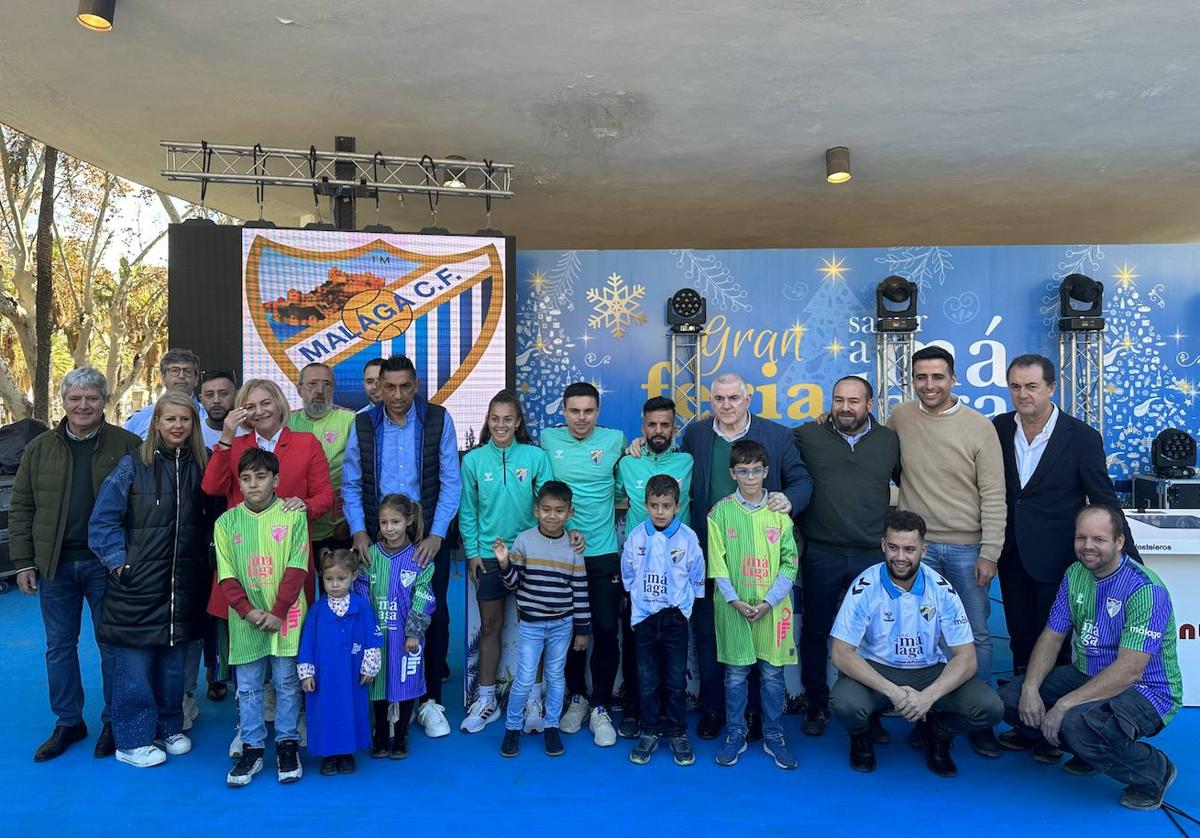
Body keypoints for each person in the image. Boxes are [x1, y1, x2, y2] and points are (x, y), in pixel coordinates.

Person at [999, 505, 1182, 811]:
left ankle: (1154, 772)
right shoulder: (1075, 574)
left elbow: (1129, 671)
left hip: (1147, 690)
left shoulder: (1145, 589)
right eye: (1081, 537)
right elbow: (1052, 636)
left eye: (1099, 539)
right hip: (1087, 673)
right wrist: (1030, 690)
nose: (1087, 546)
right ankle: (1087, 750)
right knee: (1008, 699)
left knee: (1077, 723)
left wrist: (1064, 705)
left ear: (1119, 542)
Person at [11, 366, 141, 762]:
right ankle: (68, 722)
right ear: (64, 401)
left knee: (113, 647)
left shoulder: (129, 445)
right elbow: (22, 507)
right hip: (55, 566)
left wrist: (131, 559)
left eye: (91, 398)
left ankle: (113, 722)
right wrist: (22, 562)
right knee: (59, 648)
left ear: (104, 401)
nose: (83, 405)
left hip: (108, 566)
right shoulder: (38, 449)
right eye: (75, 398)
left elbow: (142, 507)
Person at [886, 345, 1005, 757]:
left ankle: (981, 717)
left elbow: (993, 494)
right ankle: (927, 712)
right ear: (912, 380)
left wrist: (990, 552)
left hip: (967, 549)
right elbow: (873, 450)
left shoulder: (978, 426)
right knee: (921, 636)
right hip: (915, 548)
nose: (929, 385)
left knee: (975, 635)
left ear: (953, 379)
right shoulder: (900, 416)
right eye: (921, 377)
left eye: (938, 377)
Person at [680, 371, 812, 741]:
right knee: (710, 635)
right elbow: (671, 469)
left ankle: (755, 714)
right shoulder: (695, 435)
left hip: (763, 562)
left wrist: (791, 499)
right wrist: (641, 444)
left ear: (747, 398)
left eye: (733, 398)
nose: (726, 406)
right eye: (719, 399)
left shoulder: (777, 435)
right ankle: (713, 709)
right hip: (713, 555)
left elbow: (802, 481)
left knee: (760, 639)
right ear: (711, 401)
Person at [88, 393, 217, 767]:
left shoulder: (202, 465)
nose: (177, 426)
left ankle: (168, 726)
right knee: (134, 667)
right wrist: (120, 565)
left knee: (173, 664)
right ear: (156, 422)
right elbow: (102, 521)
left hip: (182, 586)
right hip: (137, 586)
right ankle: (131, 740)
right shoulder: (133, 465)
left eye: (185, 419)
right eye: (170, 419)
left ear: (194, 425)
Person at [994, 355, 1139, 680]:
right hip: (1012, 554)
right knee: (1020, 639)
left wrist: (1131, 559)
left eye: (1032, 386)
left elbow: (1104, 500)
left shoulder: (1082, 437)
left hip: (1057, 559)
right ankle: (1023, 717)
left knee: (1054, 642)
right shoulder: (999, 428)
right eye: (1015, 386)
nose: (1022, 394)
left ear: (1052, 388)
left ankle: (1049, 722)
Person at [829, 509, 1004, 777]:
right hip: (878, 670)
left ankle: (936, 732)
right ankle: (861, 735)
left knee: (990, 708)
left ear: (923, 550)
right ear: (883, 546)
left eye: (909, 549)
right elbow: (841, 653)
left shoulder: (942, 589)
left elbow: (966, 658)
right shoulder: (865, 585)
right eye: (894, 548)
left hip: (927, 671)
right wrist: (894, 692)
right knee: (844, 703)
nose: (900, 557)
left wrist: (927, 698)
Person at [342, 354, 461, 738]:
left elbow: (450, 482)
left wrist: (436, 535)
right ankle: (385, 702)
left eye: (404, 386)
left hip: (425, 540)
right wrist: (360, 532)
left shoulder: (438, 420)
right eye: (387, 387)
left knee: (432, 615)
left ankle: (428, 701)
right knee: (379, 617)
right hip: (376, 542)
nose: (396, 395)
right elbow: (351, 484)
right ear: (378, 387)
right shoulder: (362, 423)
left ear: (417, 385)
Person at [793, 375, 900, 737]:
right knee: (816, 632)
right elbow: (768, 450)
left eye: (853, 401)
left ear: (870, 405)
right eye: (838, 400)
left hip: (872, 554)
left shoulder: (889, 440)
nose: (845, 408)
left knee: (873, 635)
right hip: (822, 552)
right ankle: (817, 704)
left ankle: (871, 711)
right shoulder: (808, 435)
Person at [214, 448, 310, 787]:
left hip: (286, 617)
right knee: (250, 687)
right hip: (246, 621)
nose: (253, 484)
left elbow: (298, 566)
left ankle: (287, 744)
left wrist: (278, 611)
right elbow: (226, 575)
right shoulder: (226, 523)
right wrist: (250, 611)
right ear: (239, 482)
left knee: (286, 682)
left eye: (261, 476)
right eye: (246, 478)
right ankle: (252, 749)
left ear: (276, 480)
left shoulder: (294, 516)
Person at [459, 390, 553, 734]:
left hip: (530, 555)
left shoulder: (535, 457)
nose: (501, 424)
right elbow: (468, 511)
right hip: (487, 556)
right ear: (488, 421)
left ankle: (533, 699)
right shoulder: (473, 461)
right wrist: (472, 552)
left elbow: (550, 505)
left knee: (534, 628)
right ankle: (485, 701)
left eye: (507, 419)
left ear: (518, 422)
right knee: (489, 627)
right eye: (495, 418)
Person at [540, 382, 625, 746]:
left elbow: (626, 486)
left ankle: (602, 704)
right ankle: (576, 697)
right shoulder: (547, 440)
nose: (581, 418)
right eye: (574, 410)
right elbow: (544, 494)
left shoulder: (616, 440)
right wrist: (567, 530)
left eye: (588, 411)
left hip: (603, 553)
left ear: (598, 412)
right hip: (561, 553)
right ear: (563, 411)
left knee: (605, 628)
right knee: (568, 631)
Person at [707, 439, 800, 770]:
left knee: (773, 675)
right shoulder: (720, 513)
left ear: (766, 471)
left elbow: (790, 562)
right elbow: (716, 564)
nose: (750, 477)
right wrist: (733, 599)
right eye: (743, 471)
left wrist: (769, 601)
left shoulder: (778, 515)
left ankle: (775, 734)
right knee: (735, 675)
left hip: (772, 611)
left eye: (756, 470)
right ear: (733, 473)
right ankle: (736, 732)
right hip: (732, 609)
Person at [495, 481, 591, 758]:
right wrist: (504, 563)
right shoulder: (524, 541)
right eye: (546, 509)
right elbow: (513, 584)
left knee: (555, 676)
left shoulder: (574, 547)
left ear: (569, 513)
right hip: (532, 625)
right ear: (536, 510)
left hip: (563, 625)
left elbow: (580, 590)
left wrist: (582, 630)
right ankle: (512, 727)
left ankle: (551, 726)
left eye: (559, 510)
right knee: (524, 678)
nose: (552, 516)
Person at [621, 474, 704, 766]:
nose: (659, 511)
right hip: (644, 619)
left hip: (674, 620)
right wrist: (642, 605)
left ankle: (677, 731)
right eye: (654, 505)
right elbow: (628, 574)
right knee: (646, 680)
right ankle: (649, 731)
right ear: (645, 505)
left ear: (677, 506)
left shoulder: (688, 538)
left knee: (675, 680)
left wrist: (683, 610)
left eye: (666, 505)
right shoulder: (636, 537)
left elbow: (696, 576)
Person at [356, 494, 435, 760]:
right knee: (377, 681)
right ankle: (380, 732)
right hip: (376, 636)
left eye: (396, 521)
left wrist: (414, 632)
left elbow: (424, 595)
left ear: (409, 521)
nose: (389, 528)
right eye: (384, 522)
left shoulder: (418, 558)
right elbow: (361, 593)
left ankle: (401, 733)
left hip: (405, 636)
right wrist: (368, 632)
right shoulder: (370, 557)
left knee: (405, 681)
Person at [298, 548, 383, 776]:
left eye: (341, 579)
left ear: (354, 577)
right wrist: (306, 673)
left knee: (352, 710)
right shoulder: (316, 611)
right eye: (329, 579)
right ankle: (328, 755)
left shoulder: (361, 607)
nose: (335, 584)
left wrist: (370, 665)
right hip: (324, 676)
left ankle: (346, 753)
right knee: (324, 713)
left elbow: (371, 637)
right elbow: (306, 642)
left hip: (352, 674)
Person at [194, 369, 239, 704]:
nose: (217, 400)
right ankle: (214, 671)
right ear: (201, 399)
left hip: (240, 533)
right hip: (201, 533)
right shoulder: (190, 433)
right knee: (211, 609)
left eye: (223, 393)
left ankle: (240, 672)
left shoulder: (247, 435)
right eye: (209, 394)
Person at [288, 362, 356, 553]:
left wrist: (350, 521)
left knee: (336, 583)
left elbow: (360, 474)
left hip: (337, 527)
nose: (319, 391)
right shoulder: (286, 422)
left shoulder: (350, 420)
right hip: (296, 526)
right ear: (299, 389)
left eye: (326, 384)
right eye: (312, 384)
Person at [124, 348, 220, 447]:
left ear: (196, 379)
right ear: (163, 377)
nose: (181, 376)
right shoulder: (139, 419)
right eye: (175, 370)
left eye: (188, 371)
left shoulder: (212, 419)